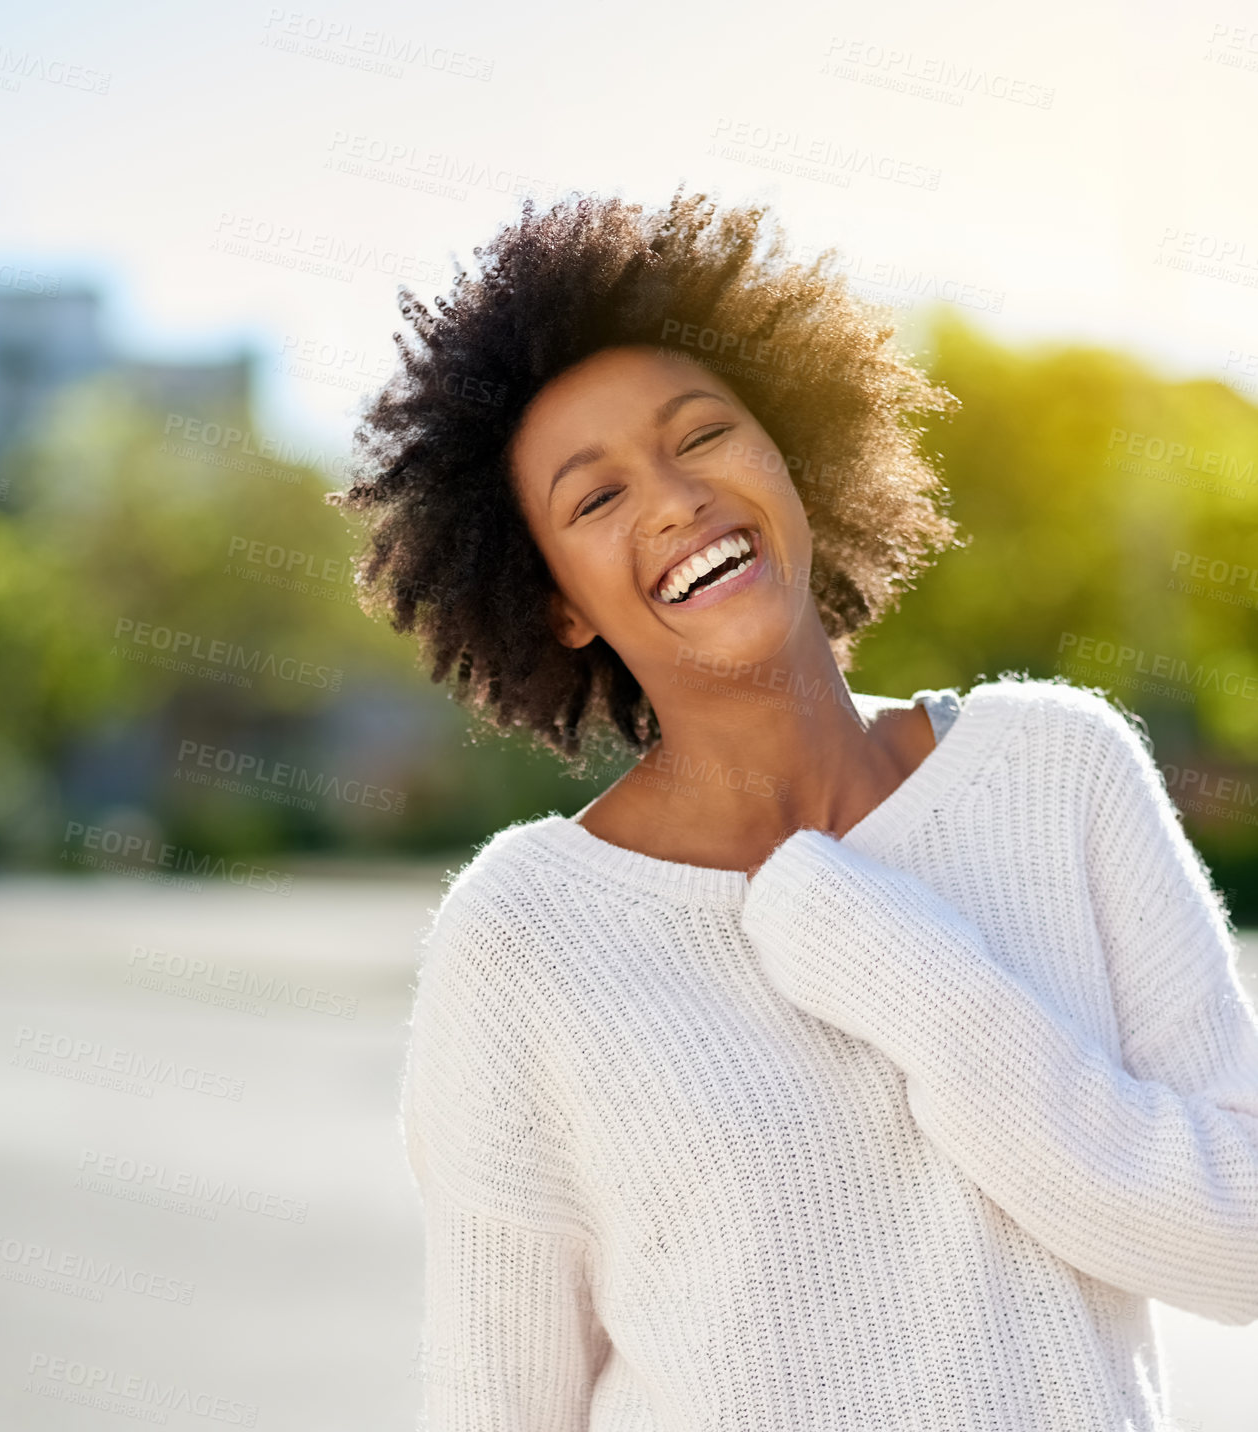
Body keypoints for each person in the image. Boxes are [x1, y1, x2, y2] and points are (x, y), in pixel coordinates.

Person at [327, 189, 1258, 1430]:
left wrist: (900, 968)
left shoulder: (1057, 770)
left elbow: (1235, 1239)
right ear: (557, 602)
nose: (670, 499)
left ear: (789, 452)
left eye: (701, 434)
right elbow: (496, 1403)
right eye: (593, 499)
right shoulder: (527, 932)